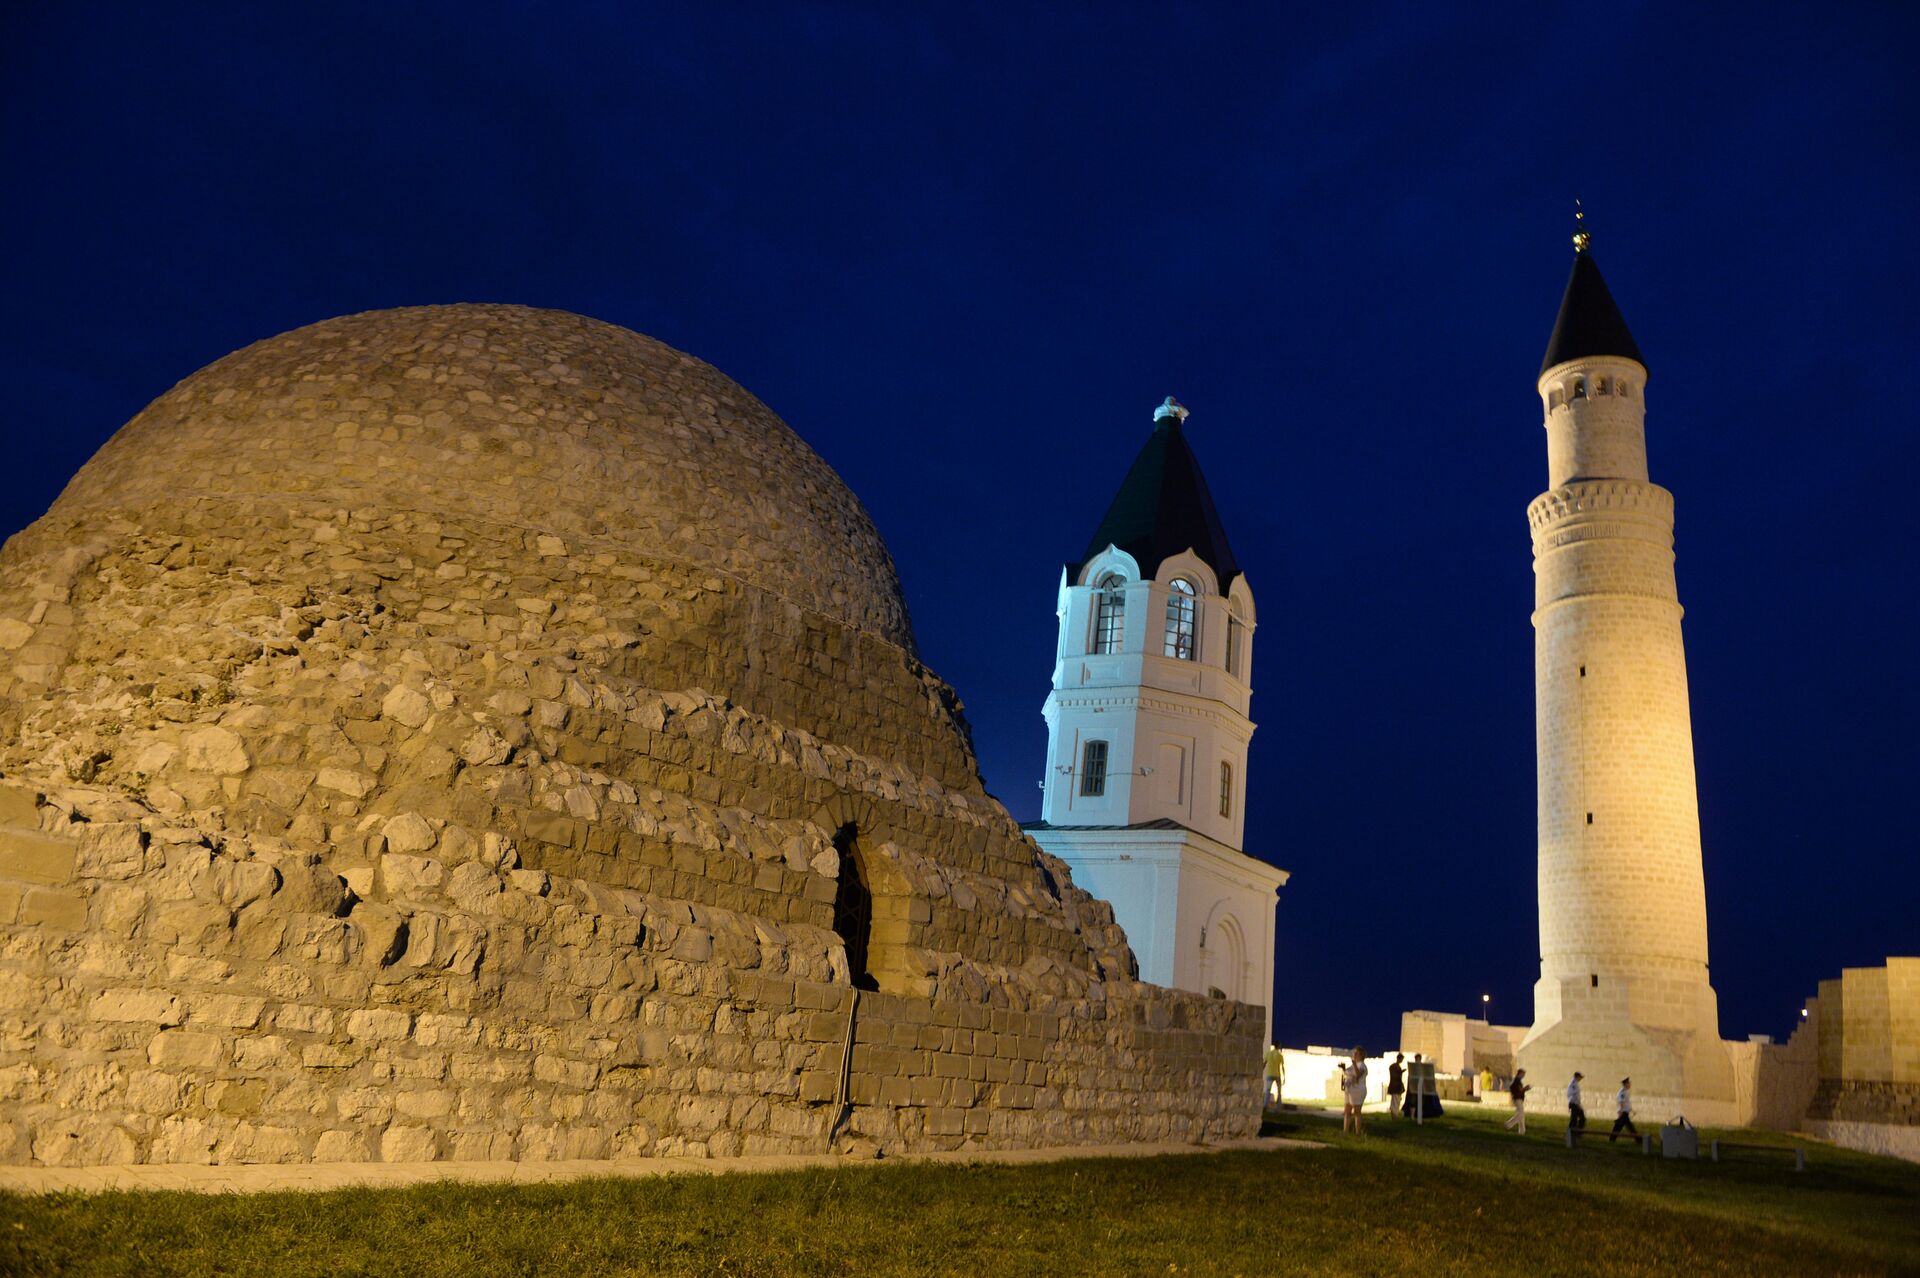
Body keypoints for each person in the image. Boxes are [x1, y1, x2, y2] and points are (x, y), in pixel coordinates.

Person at [1342, 1047, 1368, 1134]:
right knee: (1347, 1111)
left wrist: (1354, 1064)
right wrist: (1343, 1068)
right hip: (1350, 1089)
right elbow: (1348, 1073)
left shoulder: (1362, 1066)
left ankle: (1358, 1132)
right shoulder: (1354, 1065)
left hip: (1358, 1090)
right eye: (1354, 1053)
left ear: (1361, 1055)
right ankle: (1345, 1131)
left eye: (1356, 1053)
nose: (1354, 1054)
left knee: (1357, 1111)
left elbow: (1357, 1076)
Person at [1610, 1076, 1638, 1142]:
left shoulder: (1625, 1091)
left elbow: (1626, 1103)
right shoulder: (1622, 1092)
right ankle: (1639, 1140)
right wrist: (1620, 1112)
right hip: (1623, 1113)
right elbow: (1621, 1102)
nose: (1630, 1084)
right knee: (1628, 1127)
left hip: (1625, 1112)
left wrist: (1631, 1110)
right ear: (1625, 1084)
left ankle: (1612, 1139)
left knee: (1619, 1127)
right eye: (1629, 1083)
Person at [1503, 1068, 1531, 1134]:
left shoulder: (1517, 1081)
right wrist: (1525, 1089)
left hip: (1518, 1098)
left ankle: (1522, 1131)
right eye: (1523, 1074)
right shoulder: (1517, 1081)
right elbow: (1518, 1090)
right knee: (1520, 1115)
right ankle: (1508, 1125)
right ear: (1520, 1074)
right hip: (1517, 1099)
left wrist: (1524, 1089)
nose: (1524, 1076)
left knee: (1521, 1115)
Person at [1386, 1053, 1406, 1118]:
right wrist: (1401, 1072)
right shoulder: (1394, 1066)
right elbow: (1394, 1076)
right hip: (1395, 1086)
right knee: (1395, 1101)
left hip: (1397, 1086)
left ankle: (1395, 1115)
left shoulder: (1396, 1066)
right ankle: (1394, 1115)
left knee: (1396, 1101)